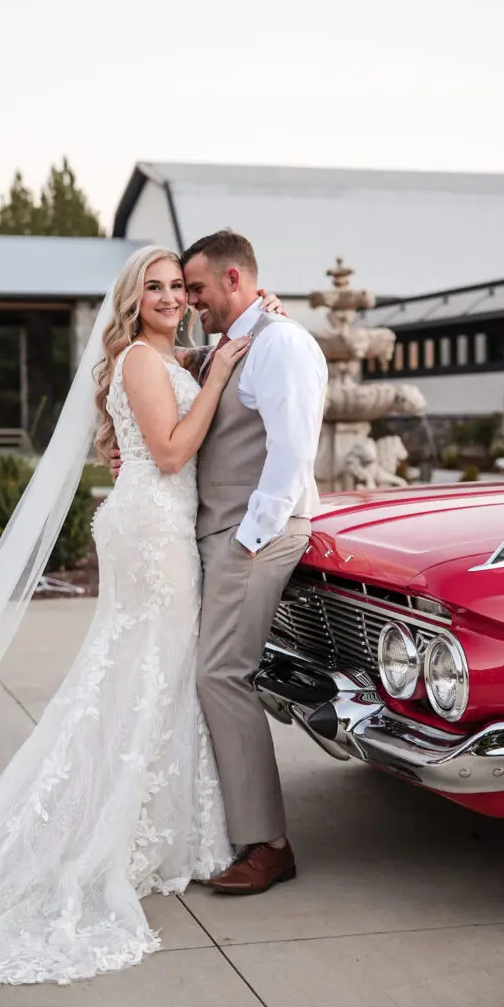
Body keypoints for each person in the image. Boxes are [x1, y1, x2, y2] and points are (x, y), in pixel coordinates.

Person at [0, 245, 282, 1007]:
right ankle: (118, 826)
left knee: (155, 677)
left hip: (153, 526)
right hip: (154, 532)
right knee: (148, 675)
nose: (171, 297)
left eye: (179, 287)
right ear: (132, 300)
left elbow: (152, 425)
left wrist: (237, 345)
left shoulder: (171, 356)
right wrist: (225, 370)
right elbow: (171, 452)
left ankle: (156, 820)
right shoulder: (142, 358)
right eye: (157, 288)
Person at [111, 230, 328, 895]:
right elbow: (182, 372)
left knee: (220, 675)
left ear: (233, 281)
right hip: (215, 530)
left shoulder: (282, 343)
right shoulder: (233, 345)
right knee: (209, 673)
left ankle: (267, 843)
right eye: (173, 289)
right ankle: (230, 826)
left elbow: (292, 455)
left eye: (195, 288)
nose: (188, 301)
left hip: (251, 533)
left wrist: (248, 540)